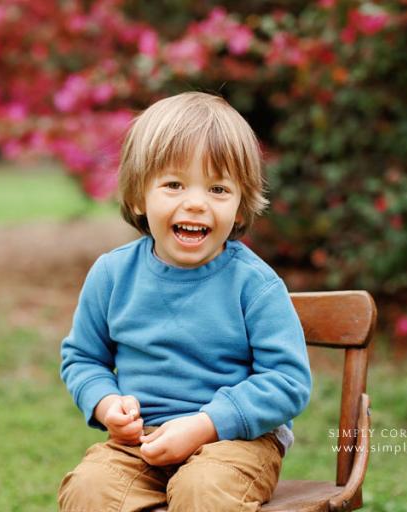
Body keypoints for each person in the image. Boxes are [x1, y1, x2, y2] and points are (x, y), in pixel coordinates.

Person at [58, 91, 312, 512]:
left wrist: (205, 424)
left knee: (203, 491)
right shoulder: (112, 275)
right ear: (140, 196)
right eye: (174, 184)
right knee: (88, 489)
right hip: (142, 444)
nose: (195, 202)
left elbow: (288, 382)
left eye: (217, 188)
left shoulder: (254, 285)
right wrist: (106, 404)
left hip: (235, 443)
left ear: (240, 204)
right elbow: (83, 358)